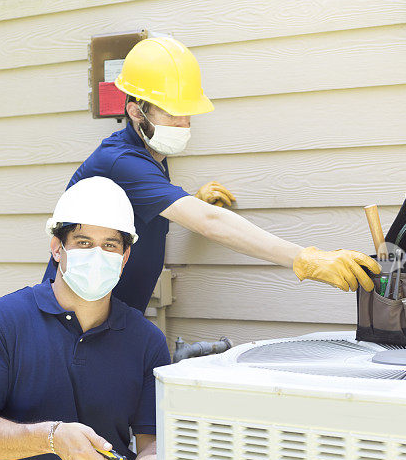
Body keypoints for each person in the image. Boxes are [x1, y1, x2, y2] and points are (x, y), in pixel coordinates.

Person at [42, 37, 380, 314]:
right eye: (173, 113)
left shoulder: (150, 153)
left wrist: (188, 200)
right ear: (135, 111)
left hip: (113, 318)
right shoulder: (120, 160)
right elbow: (209, 222)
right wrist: (305, 259)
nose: (184, 123)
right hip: (72, 320)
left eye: (188, 112)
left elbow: (142, 205)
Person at [0, 177, 167, 460]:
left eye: (110, 245)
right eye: (83, 242)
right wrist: (49, 438)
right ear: (57, 247)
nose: (97, 255)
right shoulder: (3, 321)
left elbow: (150, 441)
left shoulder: (146, 341)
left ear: (125, 256)